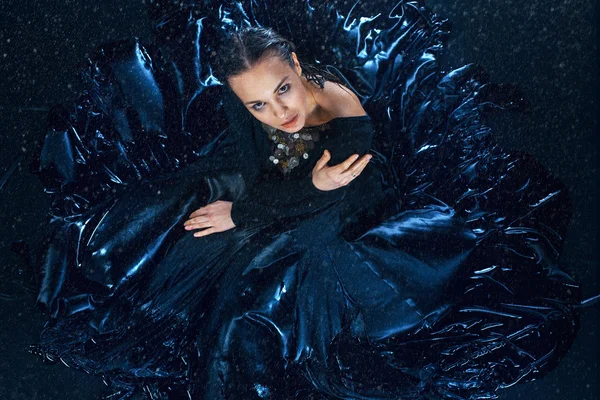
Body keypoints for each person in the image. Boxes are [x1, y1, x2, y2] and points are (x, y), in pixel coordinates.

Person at [32, 2, 584, 399]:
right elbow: (255, 167)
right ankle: (125, 270)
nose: (277, 111)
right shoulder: (246, 105)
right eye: (257, 104)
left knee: (255, 288)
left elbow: (329, 200)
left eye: (282, 90)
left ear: (295, 64)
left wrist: (250, 211)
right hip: (289, 182)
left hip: (347, 202)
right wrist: (250, 195)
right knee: (189, 203)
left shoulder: (343, 111)